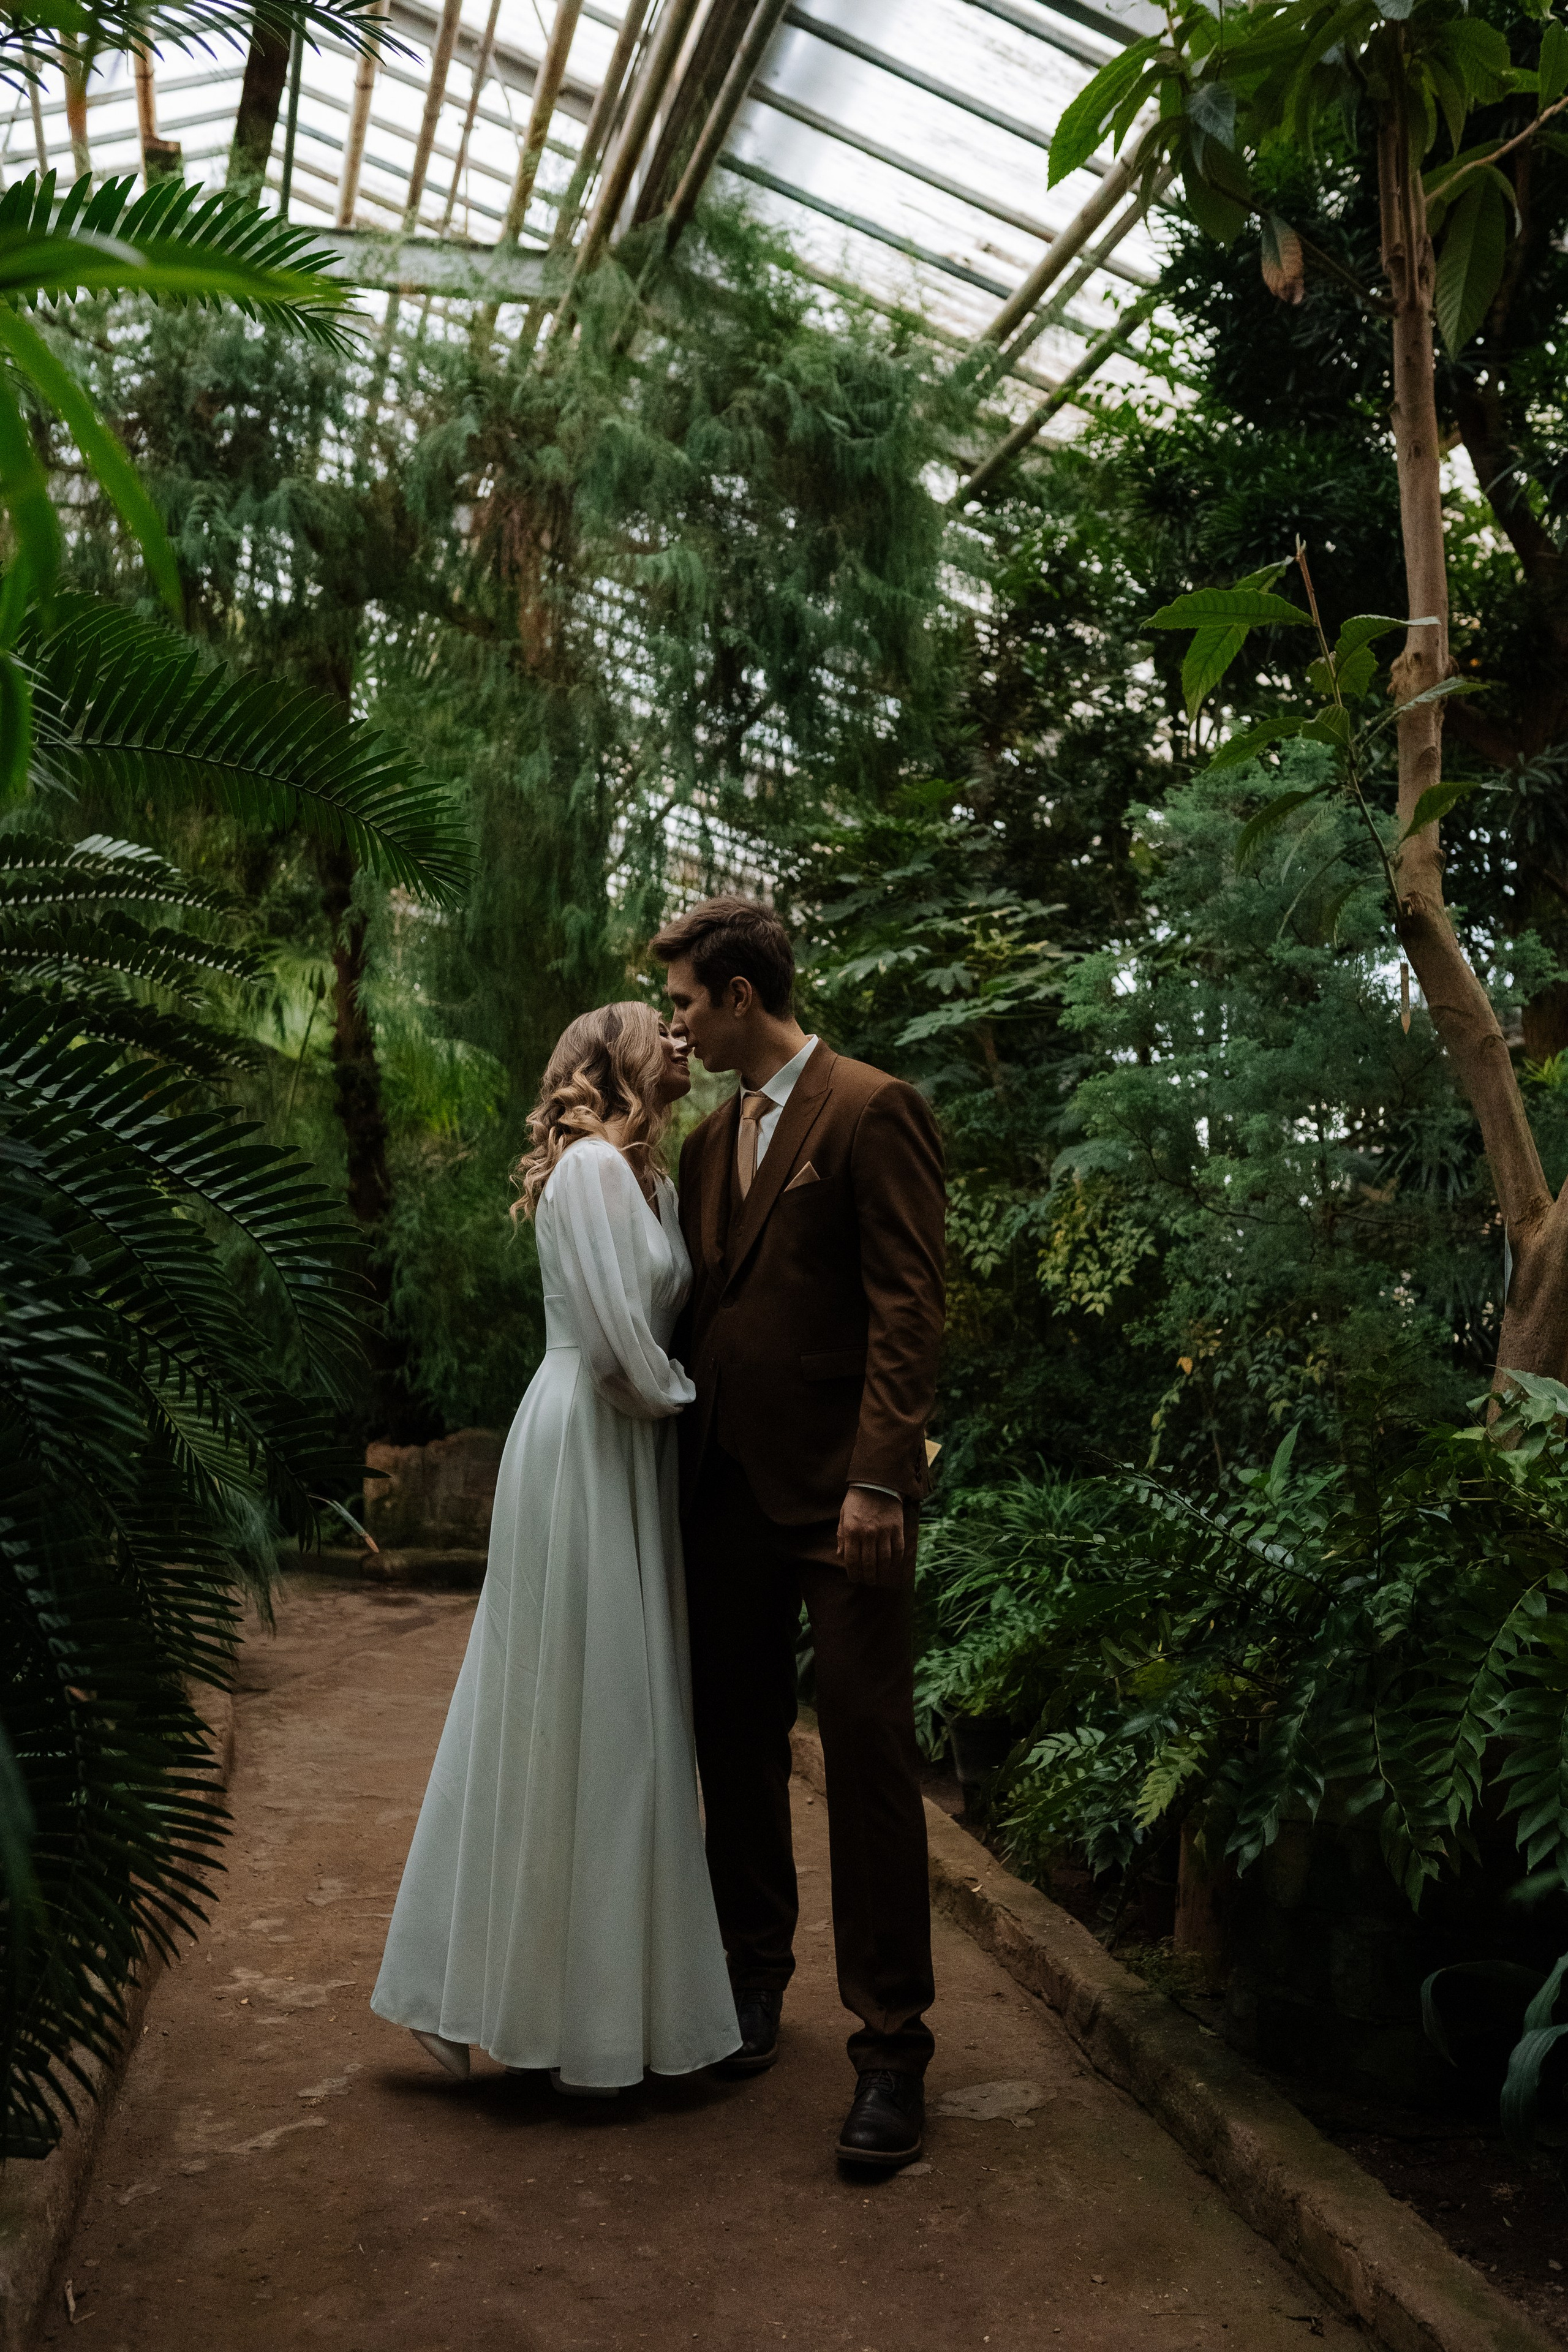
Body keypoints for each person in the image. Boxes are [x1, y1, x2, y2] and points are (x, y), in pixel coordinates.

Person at [369, 1003, 740, 2094]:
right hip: (588, 1433)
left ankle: (602, 2013)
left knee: (623, 1714)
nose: (679, 1037)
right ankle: (477, 1994)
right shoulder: (583, 1172)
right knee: (561, 1703)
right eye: (655, 1026)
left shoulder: (656, 1184)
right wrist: (698, 1408)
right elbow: (625, 1346)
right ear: (608, 1061)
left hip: (632, 1448)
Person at [652, 897, 946, 2171]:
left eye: (678, 998)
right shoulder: (708, 1143)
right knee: (735, 1744)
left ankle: (890, 2050)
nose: (671, 1020)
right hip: (721, 1497)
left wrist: (879, 1481)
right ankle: (747, 1988)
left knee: (871, 1758)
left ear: (733, 994)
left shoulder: (873, 1107)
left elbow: (906, 1305)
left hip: (843, 1507)